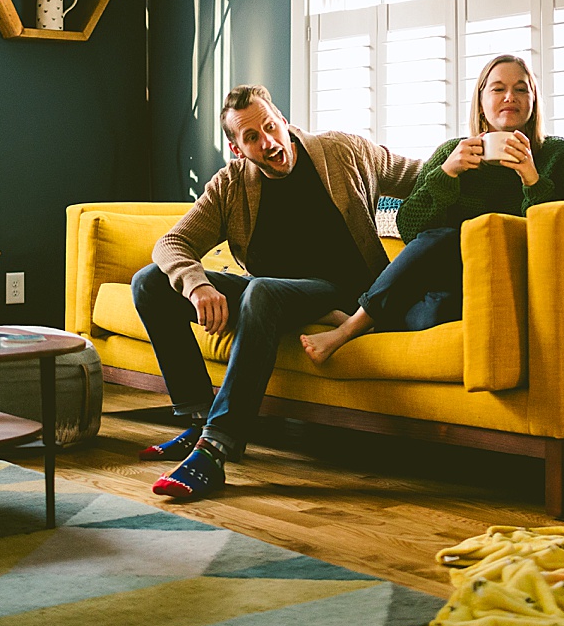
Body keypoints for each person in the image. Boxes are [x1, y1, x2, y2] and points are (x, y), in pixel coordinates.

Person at [131, 85, 421, 500]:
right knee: (149, 283)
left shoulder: (342, 152)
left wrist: (481, 160)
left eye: (270, 127)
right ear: (236, 148)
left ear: (283, 120)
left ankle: (217, 446)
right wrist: (198, 286)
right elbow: (171, 244)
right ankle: (198, 420)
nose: (267, 142)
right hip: (270, 293)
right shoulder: (231, 185)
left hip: (342, 295)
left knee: (261, 292)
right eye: (251, 137)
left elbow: (421, 176)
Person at [300, 54, 564, 364]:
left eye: (521, 89)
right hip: (456, 280)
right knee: (441, 252)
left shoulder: (559, 154)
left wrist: (532, 180)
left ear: (533, 100)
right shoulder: (451, 153)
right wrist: (447, 173)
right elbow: (411, 228)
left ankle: (350, 326)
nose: (510, 97)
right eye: (497, 89)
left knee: (440, 281)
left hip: (519, 279)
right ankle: (368, 319)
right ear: (481, 102)